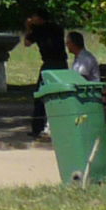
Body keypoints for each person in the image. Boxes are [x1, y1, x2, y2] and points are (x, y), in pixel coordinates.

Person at [22, 9, 67, 138]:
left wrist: (28, 27)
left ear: (39, 18)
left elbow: (27, 43)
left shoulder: (37, 30)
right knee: (60, 95)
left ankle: (37, 127)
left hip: (49, 64)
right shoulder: (57, 28)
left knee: (40, 95)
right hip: (61, 63)